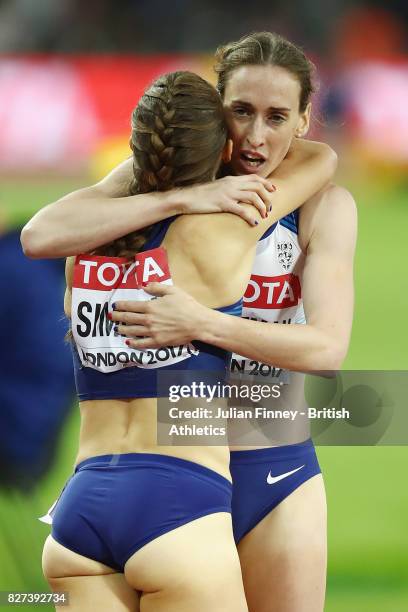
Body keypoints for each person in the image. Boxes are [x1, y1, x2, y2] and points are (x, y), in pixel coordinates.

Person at [37, 69, 335, 612]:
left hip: (80, 515)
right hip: (179, 506)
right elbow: (321, 160)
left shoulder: (85, 249)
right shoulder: (226, 226)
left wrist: (165, 186)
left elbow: (38, 233)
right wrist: (197, 194)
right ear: (220, 148)